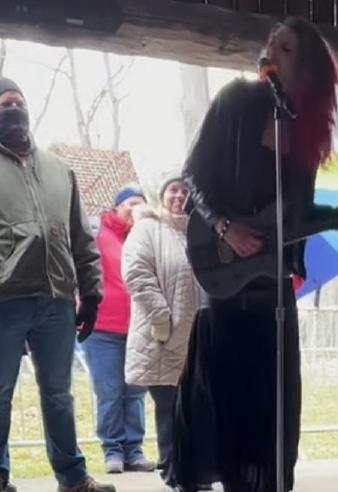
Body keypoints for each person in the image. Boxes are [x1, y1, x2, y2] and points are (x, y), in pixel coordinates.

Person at [170, 18, 338, 492]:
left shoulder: (304, 131)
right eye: (271, 44)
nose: (271, 52)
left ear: (306, 68)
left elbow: (296, 216)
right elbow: (193, 175)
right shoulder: (235, 101)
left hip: (273, 295)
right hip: (226, 288)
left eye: (285, 47)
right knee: (226, 420)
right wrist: (226, 227)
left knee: (271, 428)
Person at [0, 77, 116, 492]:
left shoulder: (59, 170)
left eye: (18, 102)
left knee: (59, 395)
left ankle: (72, 477)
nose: (13, 110)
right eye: (4, 105)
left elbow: (81, 236)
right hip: (5, 300)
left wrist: (92, 292)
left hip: (57, 299)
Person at [121, 174, 205, 490]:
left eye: (185, 190)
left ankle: (195, 471)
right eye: (173, 189)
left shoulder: (199, 232)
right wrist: (160, 317)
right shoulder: (148, 229)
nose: (179, 195)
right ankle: (173, 470)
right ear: (162, 195)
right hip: (161, 335)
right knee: (170, 408)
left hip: (198, 335)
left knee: (197, 406)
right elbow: (137, 274)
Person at [82, 184, 157, 474]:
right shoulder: (97, 233)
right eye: (131, 204)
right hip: (103, 328)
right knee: (110, 391)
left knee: (136, 391)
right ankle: (112, 450)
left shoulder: (146, 236)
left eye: (141, 204)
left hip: (140, 327)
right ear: (117, 207)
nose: (135, 209)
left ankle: (134, 450)